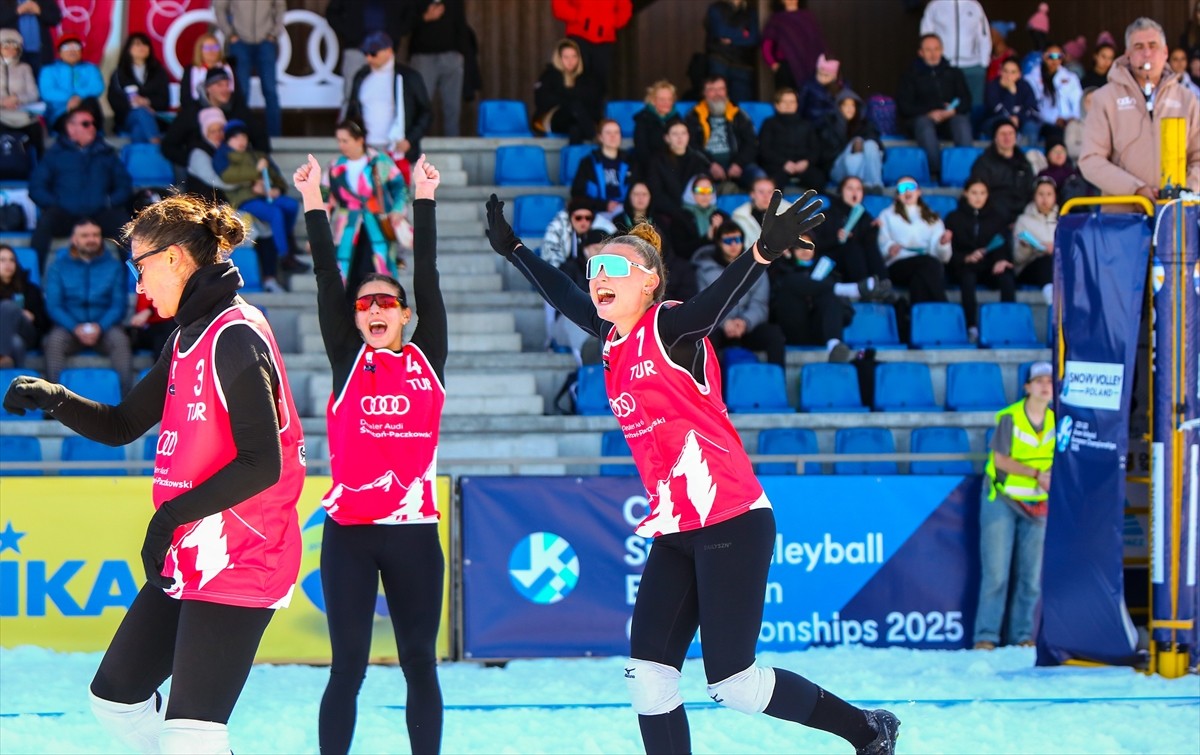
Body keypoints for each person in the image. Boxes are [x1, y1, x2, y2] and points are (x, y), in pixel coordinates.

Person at [483, 188, 901, 755]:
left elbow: (713, 306)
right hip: (676, 526)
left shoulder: (671, 328)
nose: (597, 276)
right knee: (648, 676)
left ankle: (866, 729)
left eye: (613, 267)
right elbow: (562, 295)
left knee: (733, 683)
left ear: (650, 281)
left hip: (730, 518)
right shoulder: (613, 338)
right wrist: (513, 249)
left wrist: (759, 254)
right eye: (594, 267)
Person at [3, 194, 305, 754]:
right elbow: (122, 425)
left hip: (244, 552)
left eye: (140, 266)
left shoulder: (233, 334)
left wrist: (168, 518)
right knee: (115, 700)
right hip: (192, 546)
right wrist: (54, 396)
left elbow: (266, 463)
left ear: (173, 259)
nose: (139, 286)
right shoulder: (188, 334)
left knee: (190, 738)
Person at [293, 150, 446, 755]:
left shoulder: (427, 358)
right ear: (354, 321)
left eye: (387, 302)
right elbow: (327, 277)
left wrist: (423, 199)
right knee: (347, 669)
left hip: (413, 534)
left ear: (406, 315)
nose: (376, 308)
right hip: (349, 534)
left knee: (419, 666)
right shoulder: (347, 359)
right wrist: (314, 202)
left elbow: (427, 272)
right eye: (365, 304)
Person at [975, 361, 1055, 650]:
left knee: (1031, 578)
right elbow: (1000, 460)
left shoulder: (1058, 421)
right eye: (1039, 380)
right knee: (996, 574)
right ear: (1027, 387)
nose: (1045, 385)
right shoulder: (1011, 418)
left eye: (1049, 380)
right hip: (1003, 499)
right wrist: (1037, 475)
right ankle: (985, 636)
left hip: (1038, 504)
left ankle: (1023, 636)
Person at [1079, 17, 1200, 204]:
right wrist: (1134, 189)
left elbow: (1198, 157)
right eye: (1139, 47)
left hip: (1177, 215)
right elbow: (1090, 160)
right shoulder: (1105, 98)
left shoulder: (1187, 99)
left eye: (1153, 46)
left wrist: (1185, 191)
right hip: (1123, 219)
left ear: (1165, 52)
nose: (1147, 53)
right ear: (1128, 54)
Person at [28, 107, 132, 269]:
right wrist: (55, 203)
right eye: (85, 124)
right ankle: (32, 284)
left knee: (126, 227)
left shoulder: (106, 153)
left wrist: (110, 201)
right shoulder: (55, 154)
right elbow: (36, 186)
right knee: (44, 225)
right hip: (65, 214)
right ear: (71, 128)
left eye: (93, 123)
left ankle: (134, 283)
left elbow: (124, 185)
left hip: (100, 213)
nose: (92, 127)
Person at [40, 218, 133, 392]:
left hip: (105, 328)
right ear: (74, 239)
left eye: (95, 235)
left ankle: (127, 403)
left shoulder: (113, 266)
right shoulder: (58, 267)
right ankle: (53, 402)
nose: (91, 239)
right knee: (53, 341)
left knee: (121, 341)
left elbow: (118, 304)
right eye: (85, 235)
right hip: (69, 328)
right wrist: (75, 327)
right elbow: (54, 305)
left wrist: (100, 326)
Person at [324, 119, 410, 292]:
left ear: (359, 140)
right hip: (347, 227)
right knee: (348, 277)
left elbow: (400, 187)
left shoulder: (380, 161)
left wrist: (397, 210)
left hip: (377, 223)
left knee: (379, 274)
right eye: (339, 141)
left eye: (345, 140)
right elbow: (325, 199)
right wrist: (318, 230)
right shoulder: (335, 166)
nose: (341, 145)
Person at [214, 119, 304, 282]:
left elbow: (278, 179)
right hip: (245, 200)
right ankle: (285, 256)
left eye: (243, 137)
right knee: (275, 214)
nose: (241, 141)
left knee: (291, 206)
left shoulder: (258, 156)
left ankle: (286, 241)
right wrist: (255, 174)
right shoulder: (223, 155)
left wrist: (277, 189)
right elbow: (227, 176)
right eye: (236, 138)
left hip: (268, 197)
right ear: (228, 139)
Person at [693, 219, 786, 369]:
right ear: (718, 242)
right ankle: (712, 390)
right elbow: (703, 305)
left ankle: (777, 384)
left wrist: (745, 322)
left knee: (774, 335)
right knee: (705, 340)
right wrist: (724, 323)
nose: (733, 245)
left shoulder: (756, 267)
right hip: (716, 328)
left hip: (747, 327)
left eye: (737, 239)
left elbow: (759, 304)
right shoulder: (704, 270)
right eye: (728, 240)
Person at [343, 31, 433, 165]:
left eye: (373, 53)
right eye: (365, 54)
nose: (368, 58)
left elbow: (426, 112)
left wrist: (409, 139)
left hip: (398, 149)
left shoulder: (409, 77)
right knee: (365, 186)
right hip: (366, 148)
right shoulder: (361, 76)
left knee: (398, 186)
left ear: (388, 51)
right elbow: (352, 110)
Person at [943, 179, 1014, 342]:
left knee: (1007, 277)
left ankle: (1007, 326)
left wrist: (1001, 260)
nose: (978, 197)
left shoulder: (997, 218)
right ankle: (971, 326)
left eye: (982, 193)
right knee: (967, 278)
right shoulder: (953, 218)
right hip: (964, 266)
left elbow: (1002, 244)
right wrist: (966, 258)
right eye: (974, 193)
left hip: (989, 266)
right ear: (965, 193)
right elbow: (947, 251)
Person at [896, 34, 973, 183]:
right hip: (922, 121)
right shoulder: (910, 75)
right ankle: (935, 173)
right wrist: (929, 112)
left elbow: (967, 100)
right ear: (921, 53)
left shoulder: (954, 73)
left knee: (961, 122)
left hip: (949, 119)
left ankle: (966, 172)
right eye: (928, 50)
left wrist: (952, 111)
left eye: (936, 49)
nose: (933, 54)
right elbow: (904, 106)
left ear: (942, 50)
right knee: (924, 124)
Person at [163, 67, 269, 170]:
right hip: (200, 170)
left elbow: (260, 138)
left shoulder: (239, 110)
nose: (225, 89)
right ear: (208, 88)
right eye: (219, 85)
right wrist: (191, 161)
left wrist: (256, 160)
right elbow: (169, 145)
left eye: (227, 85)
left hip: (235, 168)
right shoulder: (191, 112)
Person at [613, 182, 696, 303]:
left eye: (644, 194)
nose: (640, 198)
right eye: (636, 194)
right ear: (629, 196)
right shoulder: (617, 221)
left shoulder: (662, 221)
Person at [213, 0, 285, 137]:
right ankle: (238, 137)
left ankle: (275, 137)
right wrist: (230, 34)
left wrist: (274, 33)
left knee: (270, 90)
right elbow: (219, 7)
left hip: (265, 41)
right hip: (240, 42)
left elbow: (280, 6)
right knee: (241, 92)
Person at [876, 176, 950, 305]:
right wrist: (889, 248)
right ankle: (943, 305)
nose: (907, 191)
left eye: (911, 187)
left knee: (919, 280)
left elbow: (942, 255)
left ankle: (916, 317)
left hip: (927, 266)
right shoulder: (886, 215)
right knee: (930, 264)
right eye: (902, 188)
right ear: (898, 195)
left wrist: (942, 244)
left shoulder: (932, 217)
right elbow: (882, 241)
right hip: (898, 264)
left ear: (918, 192)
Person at [325, 0, 412, 102]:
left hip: (386, 51)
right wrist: (350, 33)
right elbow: (332, 13)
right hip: (356, 49)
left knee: (388, 95)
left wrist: (396, 33)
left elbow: (411, 13)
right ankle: (352, 118)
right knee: (351, 94)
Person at [685, 75, 761, 192]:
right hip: (705, 165)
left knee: (761, 180)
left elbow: (751, 142)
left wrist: (738, 163)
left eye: (721, 89)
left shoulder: (738, 114)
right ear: (704, 93)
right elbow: (690, 145)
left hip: (738, 164)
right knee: (698, 186)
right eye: (712, 90)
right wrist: (710, 164)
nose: (717, 94)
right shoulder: (693, 115)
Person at [408, 0, 469, 137]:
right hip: (423, 56)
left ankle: (453, 141)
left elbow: (461, 24)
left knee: (452, 105)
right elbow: (402, 23)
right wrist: (425, 17)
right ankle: (416, 142)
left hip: (451, 55)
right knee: (420, 103)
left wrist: (461, 54)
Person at [811, 176, 888, 286]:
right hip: (833, 264)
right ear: (841, 191)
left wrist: (873, 230)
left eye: (858, 189)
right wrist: (836, 238)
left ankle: (883, 283)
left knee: (868, 247)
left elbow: (868, 246)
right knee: (852, 247)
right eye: (850, 188)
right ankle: (864, 287)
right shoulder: (827, 215)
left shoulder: (865, 217)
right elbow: (814, 244)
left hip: (857, 265)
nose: (854, 192)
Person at [552, 0, 632, 99]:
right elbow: (559, 6)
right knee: (576, 80)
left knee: (600, 83)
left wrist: (611, 22)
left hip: (604, 38)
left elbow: (625, 8)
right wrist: (578, 16)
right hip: (579, 35)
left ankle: (596, 112)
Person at [920, 0, 991, 106]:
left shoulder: (974, 6)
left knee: (975, 106)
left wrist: (983, 63)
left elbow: (984, 35)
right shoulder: (935, 6)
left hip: (973, 66)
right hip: (945, 67)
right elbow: (926, 35)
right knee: (946, 106)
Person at [533, 38, 602, 144]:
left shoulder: (586, 77)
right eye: (566, 57)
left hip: (577, 119)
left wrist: (565, 93)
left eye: (574, 56)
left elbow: (593, 99)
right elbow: (543, 101)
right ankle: (596, 138)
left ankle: (573, 159)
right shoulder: (549, 75)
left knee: (575, 130)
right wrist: (571, 97)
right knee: (574, 105)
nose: (571, 61)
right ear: (559, 58)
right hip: (553, 118)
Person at [759, 87, 828, 191]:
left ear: (797, 105)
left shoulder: (806, 125)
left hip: (803, 167)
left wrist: (806, 162)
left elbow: (815, 149)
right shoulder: (769, 124)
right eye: (784, 102)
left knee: (819, 180)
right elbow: (764, 149)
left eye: (792, 102)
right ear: (777, 105)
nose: (788, 105)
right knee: (771, 186)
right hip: (778, 166)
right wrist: (783, 163)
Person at [967, 120, 1034, 227]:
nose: (1007, 137)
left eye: (1011, 133)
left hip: (1022, 218)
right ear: (995, 138)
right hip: (994, 219)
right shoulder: (983, 163)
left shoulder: (1024, 163)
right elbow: (980, 194)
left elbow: (1030, 191)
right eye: (1003, 134)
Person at [106, 32, 170, 144]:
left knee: (138, 129)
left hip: (155, 116)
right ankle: (155, 144)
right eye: (137, 44)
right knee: (141, 112)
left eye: (145, 44)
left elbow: (164, 100)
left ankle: (140, 157)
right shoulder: (119, 74)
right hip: (127, 118)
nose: (142, 47)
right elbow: (114, 100)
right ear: (128, 49)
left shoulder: (159, 72)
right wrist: (135, 104)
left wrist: (147, 101)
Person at [645, 117, 710, 222]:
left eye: (683, 133)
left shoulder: (698, 160)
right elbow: (656, 193)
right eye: (675, 134)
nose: (680, 137)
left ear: (688, 136)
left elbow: (704, 188)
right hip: (667, 214)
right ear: (667, 138)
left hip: (694, 212)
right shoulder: (657, 161)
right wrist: (678, 212)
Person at [572, 118, 638, 218]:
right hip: (596, 213)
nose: (613, 136)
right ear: (600, 137)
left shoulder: (631, 161)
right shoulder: (588, 163)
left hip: (625, 213)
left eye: (616, 133)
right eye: (608, 133)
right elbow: (577, 193)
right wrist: (604, 205)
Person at [38, 34, 103, 131]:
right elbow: (47, 92)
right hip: (61, 112)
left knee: (91, 102)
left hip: (87, 108)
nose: (72, 51)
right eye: (67, 47)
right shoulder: (49, 70)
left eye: (76, 47)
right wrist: (71, 98)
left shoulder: (90, 68)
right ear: (59, 52)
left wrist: (78, 97)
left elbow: (97, 87)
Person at [761, 0, 826, 92]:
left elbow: (816, 41)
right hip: (786, 68)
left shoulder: (808, 17)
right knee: (787, 96)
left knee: (807, 96)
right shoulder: (776, 19)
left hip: (808, 65)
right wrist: (773, 64)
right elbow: (767, 44)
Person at [1012, 176, 1058, 305]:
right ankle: (1050, 295)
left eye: (1049, 194)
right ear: (1034, 196)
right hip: (1031, 267)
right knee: (1045, 262)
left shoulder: (1062, 218)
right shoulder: (1023, 220)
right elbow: (1017, 259)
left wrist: (1056, 248)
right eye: (1041, 194)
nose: (1045, 199)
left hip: (1056, 265)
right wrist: (1024, 247)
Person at [0, 242, 47, 367]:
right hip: (12, 339)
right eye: (2, 260)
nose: (8, 264)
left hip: (27, 332)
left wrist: (33, 317)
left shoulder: (30, 289)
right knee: (16, 343)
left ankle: (2, 356)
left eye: (12, 260)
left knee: (7, 306)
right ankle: (17, 383)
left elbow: (44, 323)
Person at [703, 0, 759, 105]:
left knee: (742, 106)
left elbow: (753, 39)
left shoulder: (750, 13)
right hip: (719, 61)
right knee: (716, 102)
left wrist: (732, 39)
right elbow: (721, 32)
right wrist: (742, 34)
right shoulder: (716, 8)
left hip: (742, 65)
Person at [825, 90, 883, 190]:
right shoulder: (829, 124)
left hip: (865, 169)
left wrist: (861, 148)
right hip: (839, 169)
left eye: (852, 105)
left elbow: (881, 150)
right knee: (856, 143)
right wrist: (852, 147)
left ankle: (875, 185)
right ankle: (860, 187)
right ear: (839, 107)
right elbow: (826, 155)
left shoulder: (865, 124)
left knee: (870, 144)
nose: (850, 109)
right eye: (845, 105)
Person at [1026, 44, 1083, 147]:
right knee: (1057, 135)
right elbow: (1035, 106)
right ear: (1044, 57)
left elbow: (1078, 101)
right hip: (1045, 122)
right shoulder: (1032, 78)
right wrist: (1054, 119)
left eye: (1059, 56)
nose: (1055, 60)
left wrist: (1073, 117)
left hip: (1070, 122)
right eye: (1051, 56)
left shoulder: (1070, 77)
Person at [0, 27, 43, 160]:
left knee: (36, 130)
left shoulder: (25, 68)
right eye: (6, 46)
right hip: (1, 114)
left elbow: (33, 94)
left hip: (21, 113)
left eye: (14, 47)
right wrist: (3, 102)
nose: (10, 50)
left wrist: (17, 99)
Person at [983, 58, 1040, 145]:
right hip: (996, 121)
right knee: (1005, 124)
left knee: (1031, 126)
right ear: (1000, 72)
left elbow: (1032, 110)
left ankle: (1030, 155)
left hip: (1020, 121)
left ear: (1019, 74)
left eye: (1013, 72)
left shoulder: (1025, 86)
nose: (1008, 75)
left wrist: (1018, 118)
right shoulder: (993, 86)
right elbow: (997, 111)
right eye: (1005, 71)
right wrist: (1011, 93)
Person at [632, 79, 683, 172]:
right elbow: (642, 151)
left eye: (669, 99)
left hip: (676, 167)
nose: (666, 103)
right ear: (653, 101)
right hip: (651, 168)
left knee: (702, 181)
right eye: (662, 99)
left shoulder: (678, 119)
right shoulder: (643, 120)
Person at [0, 0, 60, 74]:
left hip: (41, 52)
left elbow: (56, 19)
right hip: (14, 52)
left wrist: (39, 11)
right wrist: (18, 11)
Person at [179, 33, 235, 112]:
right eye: (207, 48)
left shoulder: (227, 68)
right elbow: (185, 98)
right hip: (195, 111)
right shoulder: (190, 70)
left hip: (225, 110)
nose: (212, 51)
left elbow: (234, 95)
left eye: (215, 47)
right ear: (199, 50)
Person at [733, 176, 790, 247]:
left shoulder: (788, 211)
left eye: (770, 192)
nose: (766, 196)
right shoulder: (740, 216)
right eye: (761, 192)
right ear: (752, 194)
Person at [796, 54, 842, 123]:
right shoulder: (808, 86)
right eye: (819, 73)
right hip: (813, 124)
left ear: (834, 76)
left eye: (826, 75)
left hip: (834, 126)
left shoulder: (842, 86)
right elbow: (801, 107)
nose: (822, 78)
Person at [128, 289, 174, 356]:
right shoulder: (141, 284)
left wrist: (150, 311)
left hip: (162, 324)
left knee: (163, 335)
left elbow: (172, 304)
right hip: (137, 327)